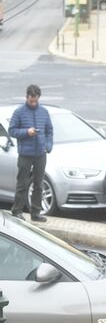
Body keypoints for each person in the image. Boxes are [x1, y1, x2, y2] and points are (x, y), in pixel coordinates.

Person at [8, 84, 53, 222]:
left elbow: (49, 130)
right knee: (22, 183)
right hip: (25, 154)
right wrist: (26, 132)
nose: (33, 102)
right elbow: (12, 130)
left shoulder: (44, 112)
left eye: (35, 100)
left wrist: (48, 146)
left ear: (39, 98)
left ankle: (36, 213)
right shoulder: (19, 112)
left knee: (38, 184)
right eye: (31, 100)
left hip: (40, 153)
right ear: (26, 97)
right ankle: (17, 211)